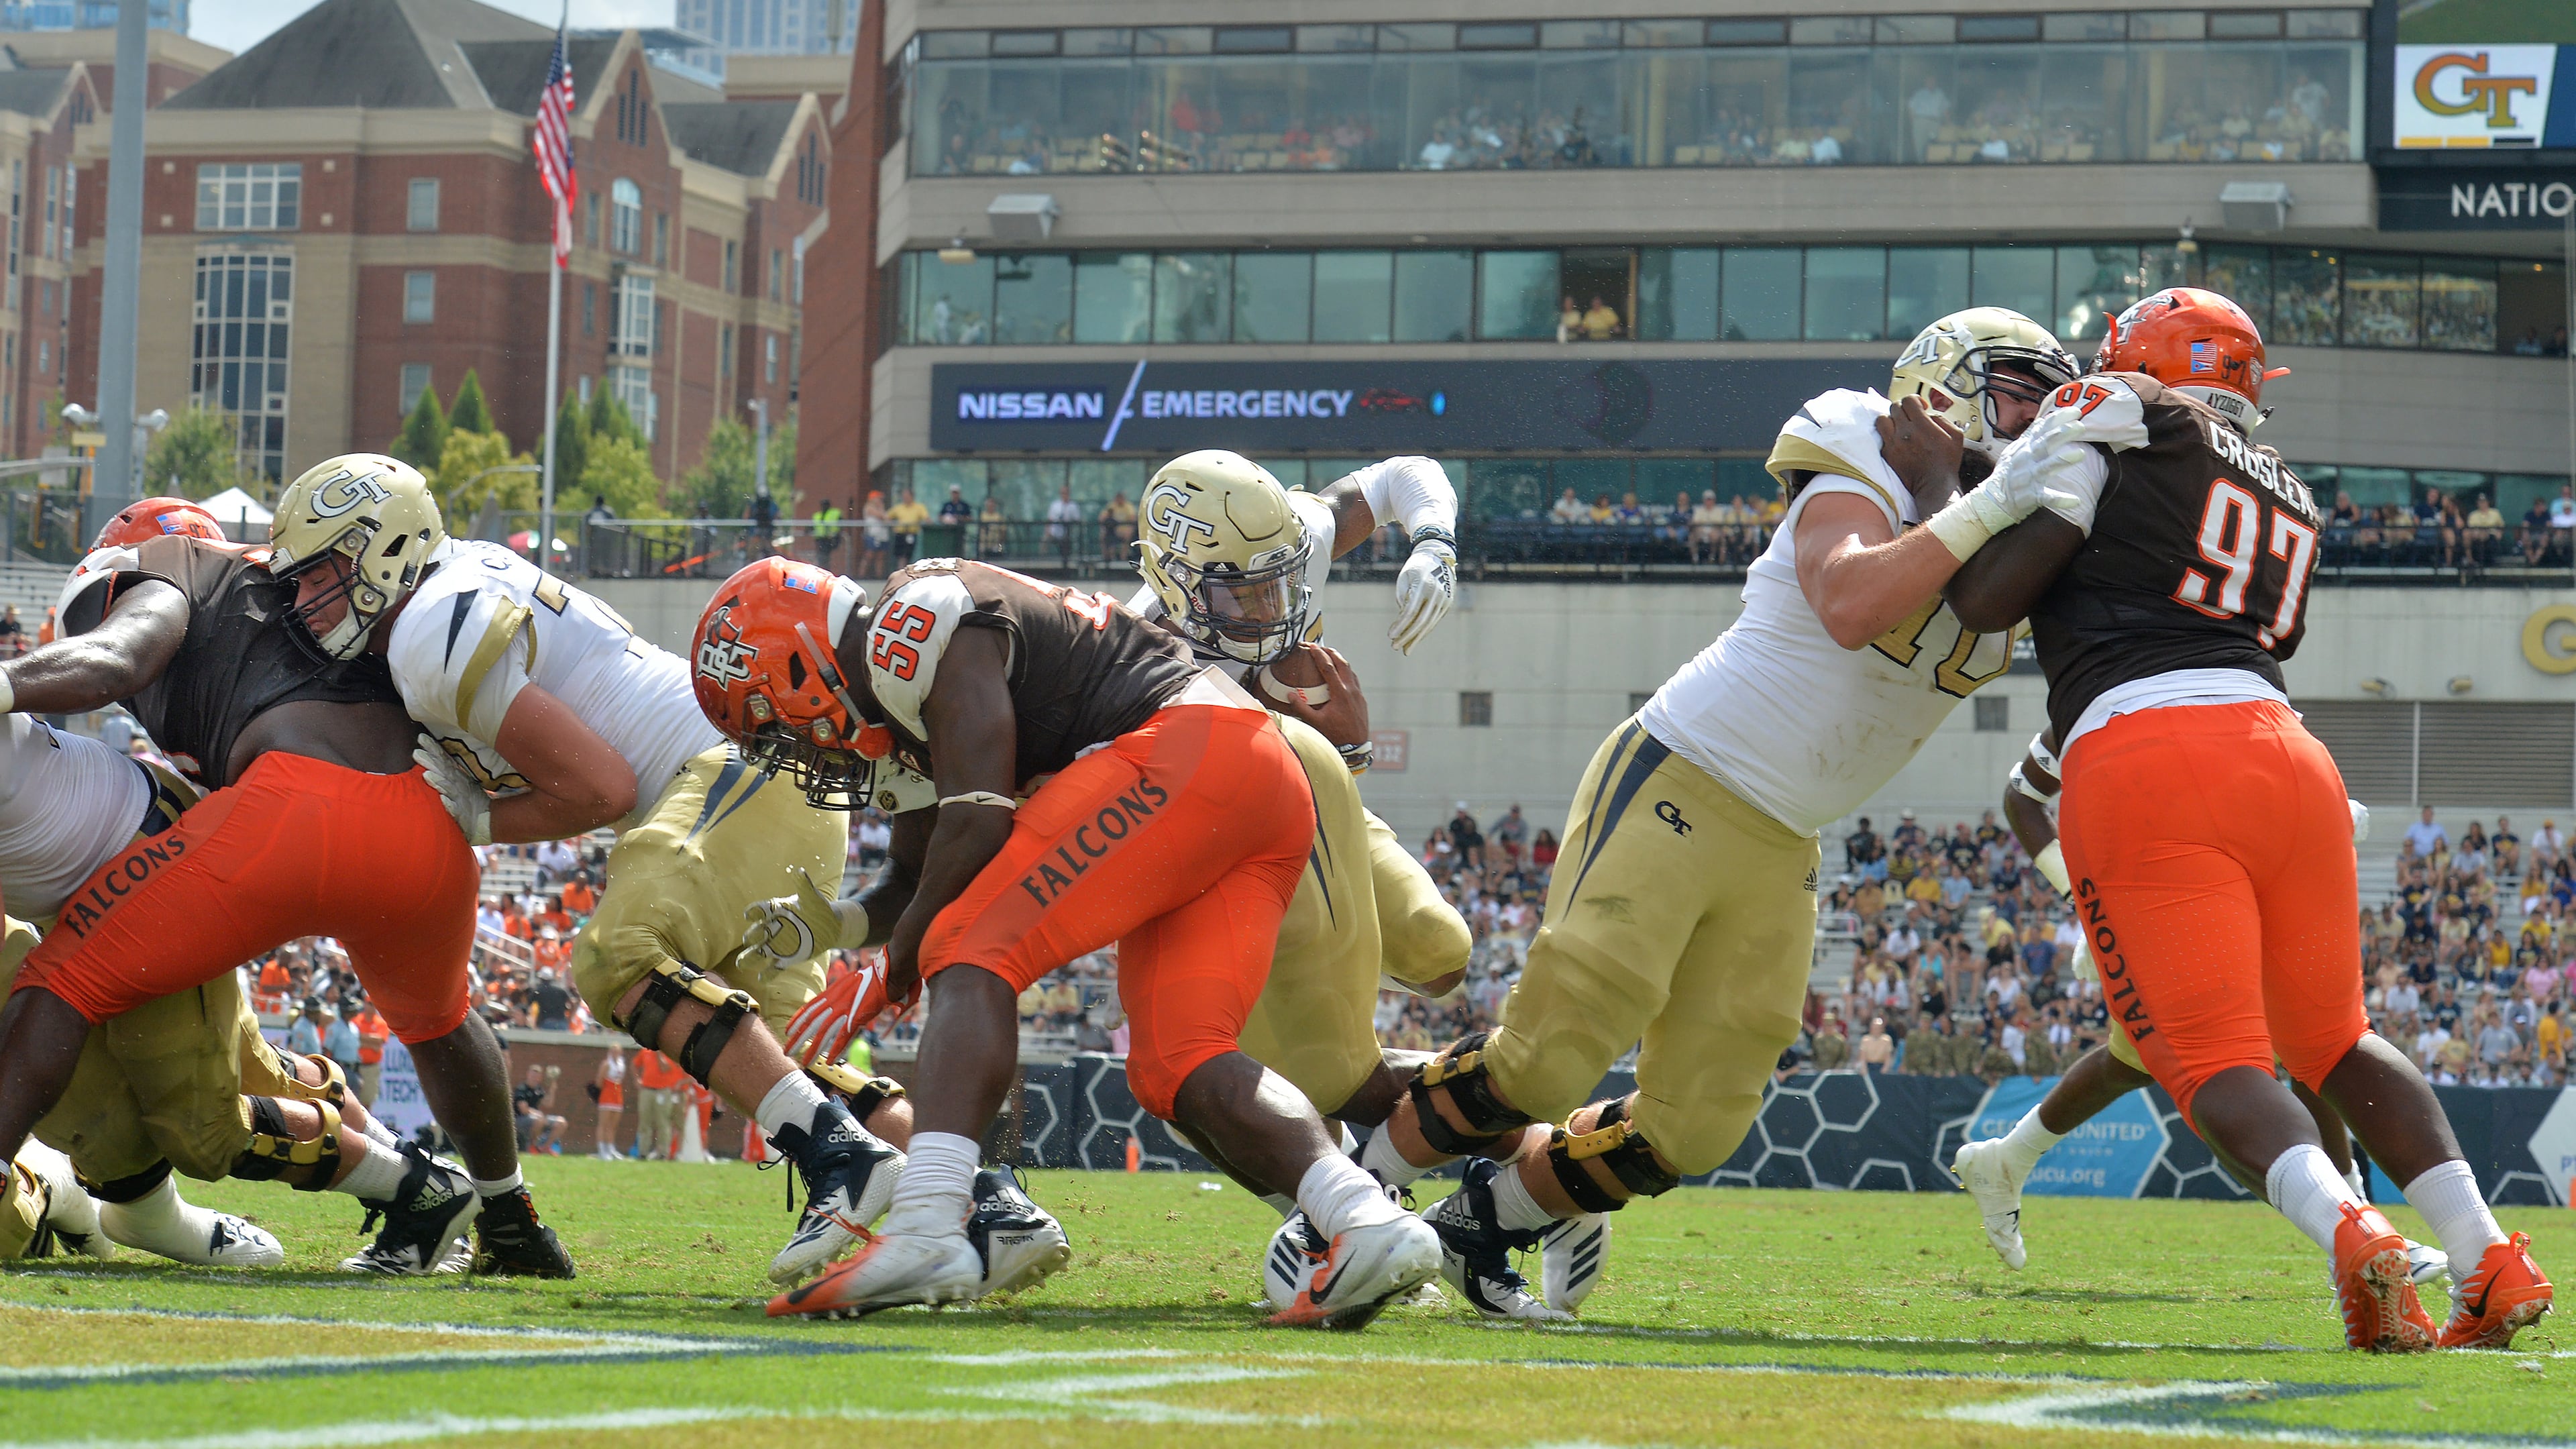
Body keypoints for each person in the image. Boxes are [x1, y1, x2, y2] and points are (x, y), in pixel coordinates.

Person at [1363, 309, 2078, 1318]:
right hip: (1690, 769)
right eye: (2017, 393)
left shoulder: (2018, 521)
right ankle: (1352, 1194)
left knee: (1700, 1119)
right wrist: (1969, 497)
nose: (2035, 420)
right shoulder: (1865, 441)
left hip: (1787, 834)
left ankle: (1488, 1222)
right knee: (1555, 1050)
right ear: (1939, 389)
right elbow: (1849, 602)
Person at [1920, 286, 2550, 1351]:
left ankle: (2355, 1234)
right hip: (2287, 756)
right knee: (2337, 1039)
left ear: (2143, 361)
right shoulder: (2289, 491)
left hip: (2149, 754)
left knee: (2208, 1061)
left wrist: (1961, 484)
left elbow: (1984, 596)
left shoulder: (2129, 414)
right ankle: (2488, 1253)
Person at [693, 553, 1441, 1326]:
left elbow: (977, 824)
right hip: (1251, 782)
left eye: (776, 723)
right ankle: (1365, 1222)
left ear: (795, 667)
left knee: (967, 950)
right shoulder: (909, 685)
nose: (798, 748)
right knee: (1178, 1062)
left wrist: (889, 969)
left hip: (1188, 752)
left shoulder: (908, 626)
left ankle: (927, 1227)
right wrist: (846, 925)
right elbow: (924, 874)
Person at [300, 466, 923, 1290]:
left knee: (618, 956)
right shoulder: (457, 584)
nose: (308, 597)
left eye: (320, 570)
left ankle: (841, 1154)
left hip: (727, 772)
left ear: (383, 550)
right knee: (776, 1060)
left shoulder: (424, 633)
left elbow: (603, 789)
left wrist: (476, 818)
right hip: (771, 790)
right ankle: (975, 1204)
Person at [0, 460, 568, 1278]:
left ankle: (409, 1184)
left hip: (291, 810)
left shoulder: (175, 569)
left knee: (64, 987)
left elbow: (117, 660)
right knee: (441, 1023)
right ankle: (511, 1220)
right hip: (423, 821)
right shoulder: (307, 594)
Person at [514, 1064, 566, 1155]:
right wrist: (538, 1114)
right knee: (539, 1120)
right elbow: (524, 1110)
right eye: (532, 1075)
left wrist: (552, 1089)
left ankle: (545, 1148)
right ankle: (533, 1147)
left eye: (537, 1076)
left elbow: (548, 1104)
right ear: (528, 1075)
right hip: (520, 1121)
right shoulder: (521, 1089)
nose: (534, 1078)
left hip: (537, 1119)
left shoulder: (538, 1090)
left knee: (561, 1123)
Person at [592, 1046, 627, 1158]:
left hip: (618, 1096)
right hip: (607, 1096)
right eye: (613, 1051)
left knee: (613, 1125)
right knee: (603, 1124)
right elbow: (599, 1082)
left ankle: (611, 1149)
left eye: (617, 1051)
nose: (615, 1053)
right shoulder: (606, 1064)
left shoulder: (622, 1064)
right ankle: (602, 1150)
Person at [1045, 484, 1083, 569]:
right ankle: (1043, 559)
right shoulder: (1055, 505)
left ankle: (1066, 561)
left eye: (1066, 493)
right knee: (1044, 540)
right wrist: (1048, 531)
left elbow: (1077, 520)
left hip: (1067, 533)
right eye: (1063, 493)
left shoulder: (1073, 506)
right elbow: (1049, 520)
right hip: (1054, 531)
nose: (1064, 495)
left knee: (1065, 544)